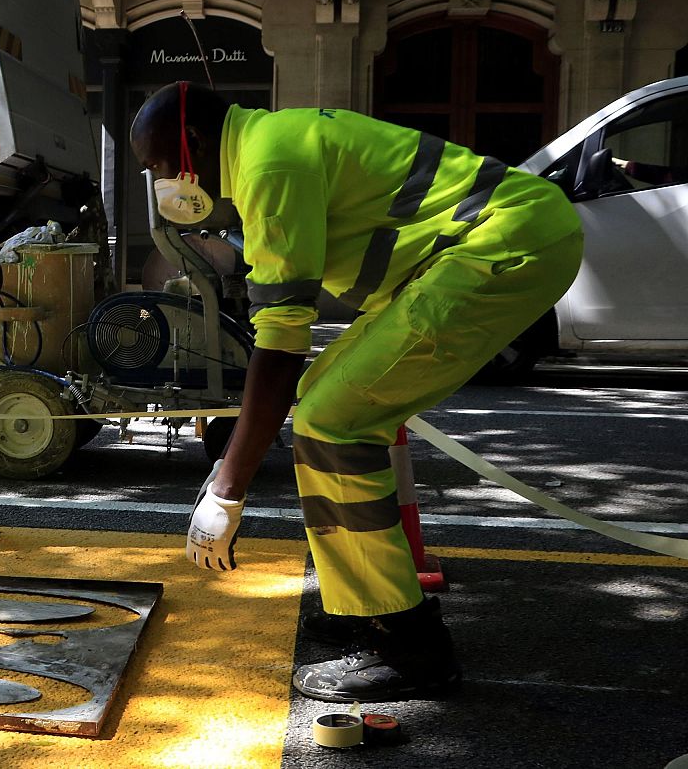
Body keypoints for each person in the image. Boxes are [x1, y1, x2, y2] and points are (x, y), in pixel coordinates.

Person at [133, 82, 583, 701]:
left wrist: (227, 488)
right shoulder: (267, 145)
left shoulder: (270, 164)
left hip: (502, 244)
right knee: (323, 400)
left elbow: (280, 342)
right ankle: (367, 605)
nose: (160, 182)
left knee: (333, 421)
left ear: (193, 143)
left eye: (158, 164)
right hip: (495, 242)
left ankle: (410, 646)